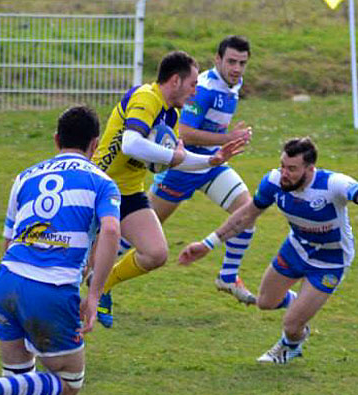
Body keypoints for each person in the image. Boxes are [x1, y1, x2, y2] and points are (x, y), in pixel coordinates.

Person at [0, 106, 121, 395]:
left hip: (6, 281)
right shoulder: (102, 183)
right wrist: (94, 296)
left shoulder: (24, 177)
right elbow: (110, 231)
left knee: (20, 378)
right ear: (95, 144)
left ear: (56, 139)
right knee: (69, 382)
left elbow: (8, 242)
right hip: (49, 289)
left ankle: (0, 390)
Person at [179, 137, 358, 364]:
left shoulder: (332, 185)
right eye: (282, 166)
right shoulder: (273, 182)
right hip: (296, 248)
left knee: (291, 326)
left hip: (330, 261)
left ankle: (290, 346)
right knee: (264, 302)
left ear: (310, 169)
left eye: (292, 169)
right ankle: (301, 305)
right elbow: (245, 216)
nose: (284, 173)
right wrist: (207, 244)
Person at [90, 51, 246, 328]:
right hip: (97, 187)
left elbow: (177, 158)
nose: (196, 91)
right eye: (193, 84)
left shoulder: (171, 115)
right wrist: (171, 157)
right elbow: (130, 143)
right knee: (77, 262)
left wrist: (212, 160)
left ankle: (102, 287)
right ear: (175, 80)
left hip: (128, 192)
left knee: (156, 253)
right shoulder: (146, 97)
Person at [149, 35, 256, 305]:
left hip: (212, 165)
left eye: (242, 63)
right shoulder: (205, 89)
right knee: (142, 234)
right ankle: (95, 275)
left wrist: (225, 142)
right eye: (231, 61)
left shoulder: (234, 83)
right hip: (183, 167)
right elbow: (185, 132)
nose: (236, 68)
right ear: (217, 60)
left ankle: (228, 276)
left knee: (247, 212)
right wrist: (229, 138)